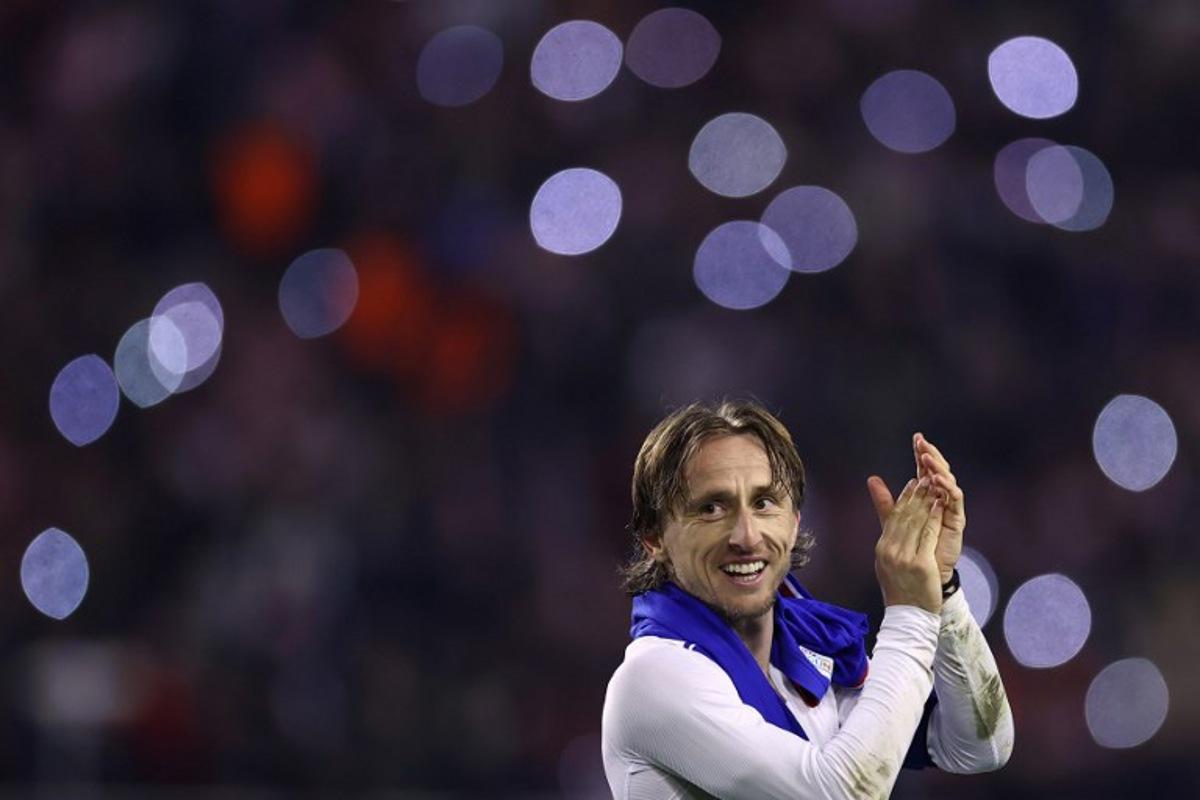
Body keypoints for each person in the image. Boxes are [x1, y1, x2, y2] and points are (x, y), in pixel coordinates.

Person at [601, 400, 1013, 799]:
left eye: (764, 503)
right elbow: (843, 793)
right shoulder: (654, 677)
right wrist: (911, 613)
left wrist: (941, 589)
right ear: (654, 539)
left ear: (795, 522)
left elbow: (980, 746)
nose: (746, 536)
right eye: (711, 508)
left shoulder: (806, 660)